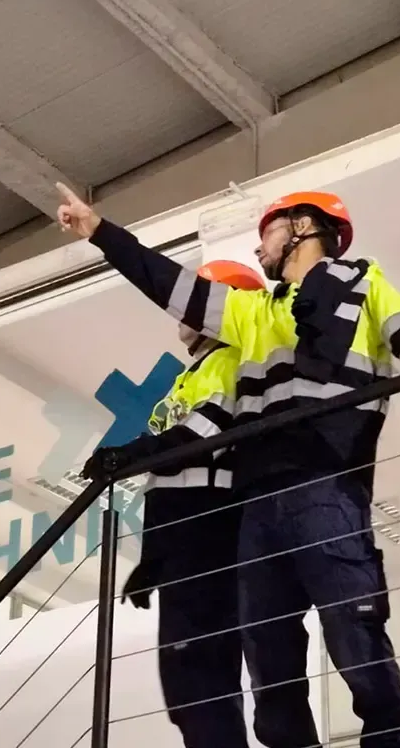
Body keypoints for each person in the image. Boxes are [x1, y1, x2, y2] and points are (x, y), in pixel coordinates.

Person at [56, 183, 400, 748]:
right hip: (259, 500)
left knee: (351, 621)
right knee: (267, 643)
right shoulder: (250, 313)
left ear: (302, 228)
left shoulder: (364, 281)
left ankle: (393, 741)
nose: (258, 244)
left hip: (328, 483)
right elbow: (169, 284)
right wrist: (100, 232)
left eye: (267, 228)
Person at [82, 259, 265, 748]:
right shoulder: (192, 374)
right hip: (186, 540)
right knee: (186, 684)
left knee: (202, 677)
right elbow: (177, 474)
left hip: (210, 537)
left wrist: (130, 452)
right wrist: (156, 560)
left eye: (195, 301)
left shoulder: (231, 362)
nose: (181, 313)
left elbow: (199, 437)